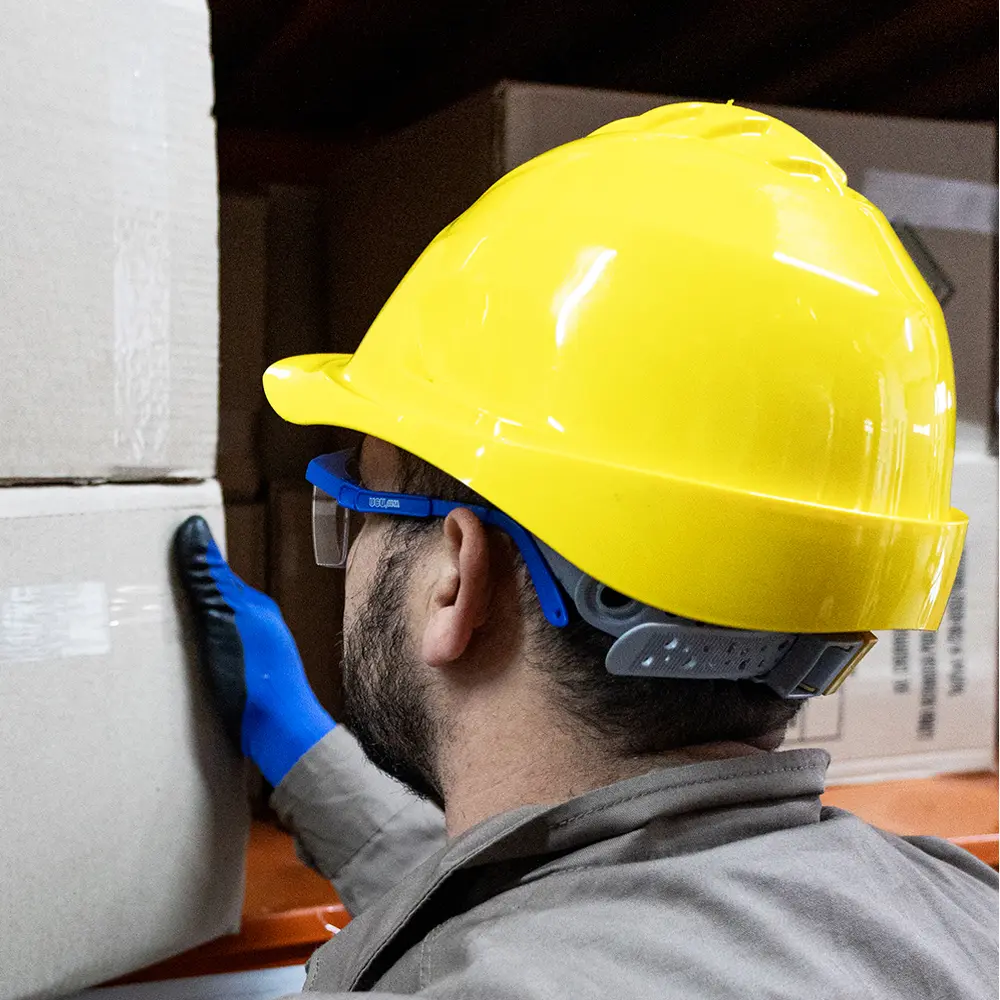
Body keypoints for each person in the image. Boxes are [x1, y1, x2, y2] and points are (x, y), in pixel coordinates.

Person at [175, 101, 998, 998]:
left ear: (456, 574)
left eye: (359, 505)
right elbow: (580, 919)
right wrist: (302, 751)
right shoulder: (962, 913)